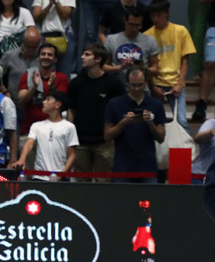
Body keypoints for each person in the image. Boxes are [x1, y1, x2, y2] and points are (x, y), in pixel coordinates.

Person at [64, 43, 125, 179]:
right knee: (81, 183)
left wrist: (115, 136)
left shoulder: (114, 84)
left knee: (103, 185)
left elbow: (120, 112)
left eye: (87, 54)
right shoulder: (76, 83)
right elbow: (71, 109)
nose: (82, 57)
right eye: (83, 54)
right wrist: (71, 135)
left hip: (104, 143)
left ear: (98, 59)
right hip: (81, 142)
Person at [104, 65, 165, 182]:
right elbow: (107, 135)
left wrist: (150, 123)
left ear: (146, 83)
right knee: (122, 200)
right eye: (133, 85)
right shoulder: (114, 104)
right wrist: (123, 123)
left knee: (149, 199)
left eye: (140, 85)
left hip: (148, 165)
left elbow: (161, 137)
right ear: (127, 83)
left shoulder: (156, 104)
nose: (137, 89)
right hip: (122, 165)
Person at [146, 0, 197, 127]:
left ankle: (183, 147)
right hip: (156, 83)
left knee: (181, 121)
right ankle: (158, 148)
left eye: (159, 15)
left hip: (175, 82)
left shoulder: (180, 31)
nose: (156, 19)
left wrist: (180, 83)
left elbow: (185, 59)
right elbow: (146, 65)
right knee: (155, 121)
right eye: (153, 15)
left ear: (167, 13)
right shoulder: (147, 35)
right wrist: (152, 87)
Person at [10, 91, 78, 180]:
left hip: (59, 176)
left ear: (57, 104)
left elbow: (72, 155)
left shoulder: (69, 127)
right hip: (39, 176)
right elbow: (29, 143)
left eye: (48, 100)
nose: (43, 102)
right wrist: (22, 159)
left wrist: (62, 174)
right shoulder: (37, 126)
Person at [17, 42, 69, 135]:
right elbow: (21, 101)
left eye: (50, 55)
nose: (46, 57)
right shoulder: (28, 76)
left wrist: (52, 88)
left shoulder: (61, 78)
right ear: (38, 57)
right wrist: (34, 87)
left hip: (53, 131)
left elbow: (61, 104)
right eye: (43, 54)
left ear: (55, 59)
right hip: (29, 130)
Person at [32, 0, 76, 68]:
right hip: (45, 39)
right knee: (46, 72)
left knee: (64, 74)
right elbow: (36, 17)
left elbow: (65, 15)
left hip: (64, 38)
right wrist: (49, 5)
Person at [104, 8, 161, 86]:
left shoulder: (150, 40)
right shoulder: (111, 40)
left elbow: (156, 70)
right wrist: (120, 67)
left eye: (138, 25)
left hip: (140, 86)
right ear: (125, 20)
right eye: (131, 24)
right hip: (117, 86)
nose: (134, 28)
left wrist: (142, 69)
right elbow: (103, 67)